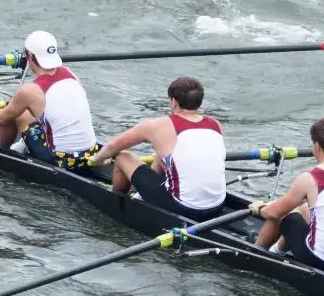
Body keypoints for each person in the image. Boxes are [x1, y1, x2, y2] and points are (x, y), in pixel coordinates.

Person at [94, 76, 228, 220]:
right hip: (217, 206)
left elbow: (112, 148)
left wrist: (97, 159)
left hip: (184, 208)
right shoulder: (215, 124)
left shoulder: (157, 126)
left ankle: (119, 205)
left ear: (174, 102)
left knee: (122, 156)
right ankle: (142, 195)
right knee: (162, 153)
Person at [243, 117, 324, 275]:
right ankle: (275, 251)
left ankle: (257, 253)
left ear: (316, 146)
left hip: (322, 262)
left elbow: (273, 213)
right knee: (304, 209)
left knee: (289, 216)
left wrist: (260, 208)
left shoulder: (309, 179)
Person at [0, 30, 96, 161]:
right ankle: (23, 145)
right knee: (32, 109)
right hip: (91, 153)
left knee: (13, 110)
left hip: (60, 159)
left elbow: (0, 118)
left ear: (29, 56)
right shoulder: (69, 73)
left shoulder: (29, 91)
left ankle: (2, 151)